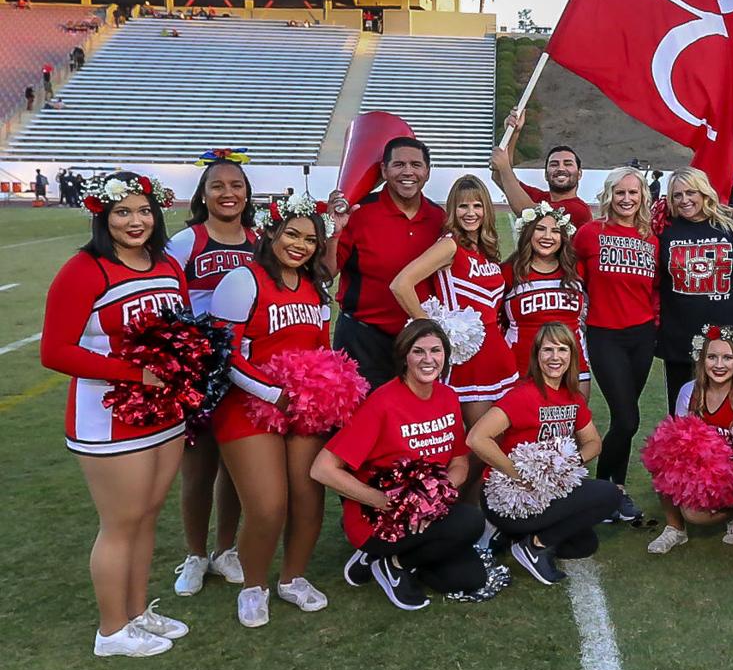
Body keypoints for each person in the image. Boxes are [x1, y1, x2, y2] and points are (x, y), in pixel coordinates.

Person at [41, 172, 190, 657]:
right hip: (107, 418)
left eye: (143, 210)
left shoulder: (167, 263)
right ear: (102, 215)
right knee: (120, 522)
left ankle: (136, 610)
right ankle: (111, 631)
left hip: (165, 412)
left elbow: (183, 332)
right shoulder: (85, 269)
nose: (135, 221)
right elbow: (55, 351)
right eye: (122, 211)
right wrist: (132, 373)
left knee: (146, 516)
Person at [312, 320, 506, 610]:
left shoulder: (448, 397)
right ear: (404, 356)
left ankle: (393, 562)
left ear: (445, 356)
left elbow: (459, 462)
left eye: (436, 351)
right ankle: (386, 559)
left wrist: (430, 498)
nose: (428, 360)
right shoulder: (383, 403)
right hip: (380, 518)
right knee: (470, 521)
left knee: (468, 577)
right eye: (419, 351)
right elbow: (322, 468)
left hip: (427, 512)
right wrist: (384, 500)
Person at [210, 195, 333, 628]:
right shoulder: (243, 281)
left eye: (310, 239)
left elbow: (323, 352)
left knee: (308, 499)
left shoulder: (316, 288)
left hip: (302, 406)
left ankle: (293, 578)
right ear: (272, 232)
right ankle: (254, 585)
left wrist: (324, 393)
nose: (300, 245)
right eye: (292, 234)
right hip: (248, 406)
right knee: (267, 506)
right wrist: (272, 393)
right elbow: (225, 356)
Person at [165, 158, 258, 597]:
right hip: (200, 372)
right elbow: (164, 303)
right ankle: (195, 555)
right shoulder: (186, 242)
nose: (228, 193)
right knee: (198, 470)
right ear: (203, 193)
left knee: (237, 468)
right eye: (217, 185)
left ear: (247, 193)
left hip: (244, 371)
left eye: (236, 185)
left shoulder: (262, 243)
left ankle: (226, 551)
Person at [467, 323, 620, 585]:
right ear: (537, 355)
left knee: (583, 544)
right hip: (511, 495)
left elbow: (593, 441)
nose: (555, 357)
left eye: (562, 350)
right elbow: (477, 438)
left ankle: (513, 537)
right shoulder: (522, 395)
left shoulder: (572, 397)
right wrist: (519, 475)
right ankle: (534, 546)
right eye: (547, 350)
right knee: (609, 494)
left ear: (572, 356)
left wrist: (567, 463)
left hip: (546, 491)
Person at [392, 175, 517, 430]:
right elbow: (401, 284)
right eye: (463, 206)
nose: (470, 213)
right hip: (469, 361)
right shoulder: (449, 246)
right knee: (478, 442)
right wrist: (432, 330)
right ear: (453, 210)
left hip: (498, 356)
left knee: (500, 441)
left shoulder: (485, 251)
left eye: (477, 205)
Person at [574, 167, 658, 522]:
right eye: (620, 193)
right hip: (604, 332)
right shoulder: (589, 234)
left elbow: (655, 291)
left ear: (642, 198)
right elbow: (574, 281)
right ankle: (607, 492)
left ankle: (613, 493)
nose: (626, 199)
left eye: (633, 193)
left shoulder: (650, 238)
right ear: (609, 194)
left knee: (626, 420)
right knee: (626, 417)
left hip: (641, 335)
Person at [327, 136, 443, 391]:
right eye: (399, 164)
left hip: (416, 341)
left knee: (411, 422)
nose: (408, 172)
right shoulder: (359, 212)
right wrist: (334, 232)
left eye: (416, 165)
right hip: (362, 339)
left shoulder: (439, 218)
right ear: (384, 170)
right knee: (359, 422)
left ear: (428, 171)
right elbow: (327, 272)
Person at [648, 326, 733, 554]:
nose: (719, 365)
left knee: (694, 514)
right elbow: (676, 440)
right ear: (701, 360)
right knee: (661, 454)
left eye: (727, 357)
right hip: (700, 469)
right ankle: (675, 529)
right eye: (712, 357)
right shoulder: (689, 392)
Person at [657, 167, 733, 411]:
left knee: (728, 411)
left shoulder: (731, 223)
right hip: (679, 337)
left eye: (691, 192)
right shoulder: (665, 228)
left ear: (704, 192)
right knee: (683, 414)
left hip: (725, 337)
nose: (684, 200)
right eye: (677, 195)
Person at [502, 202, 589, 399]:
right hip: (522, 368)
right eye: (540, 229)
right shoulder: (509, 272)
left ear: (563, 237)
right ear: (528, 233)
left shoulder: (577, 270)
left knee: (571, 426)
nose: (548, 237)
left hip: (573, 368)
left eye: (555, 231)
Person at [492, 110, 592, 229]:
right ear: (545, 174)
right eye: (554, 164)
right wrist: (513, 133)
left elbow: (529, 215)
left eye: (568, 164)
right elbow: (500, 177)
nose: (560, 168)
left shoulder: (580, 210)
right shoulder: (540, 198)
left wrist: (504, 166)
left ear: (579, 174)